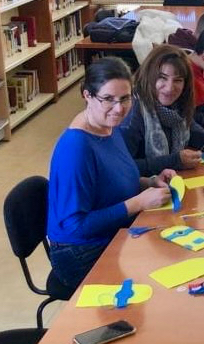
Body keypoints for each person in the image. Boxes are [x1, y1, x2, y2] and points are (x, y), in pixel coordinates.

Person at [47, 58, 172, 289]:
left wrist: (149, 182)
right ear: (87, 96)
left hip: (113, 232)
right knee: (160, 279)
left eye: (125, 98)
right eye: (108, 99)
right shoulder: (77, 147)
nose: (119, 108)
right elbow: (75, 226)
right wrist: (138, 202)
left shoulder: (108, 126)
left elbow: (112, 180)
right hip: (82, 252)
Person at [119, 44, 204, 176]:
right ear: (149, 75)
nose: (170, 88)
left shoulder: (177, 104)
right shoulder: (132, 114)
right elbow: (123, 168)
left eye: (178, 80)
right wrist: (175, 161)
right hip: (143, 190)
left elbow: (190, 125)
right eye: (162, 78)